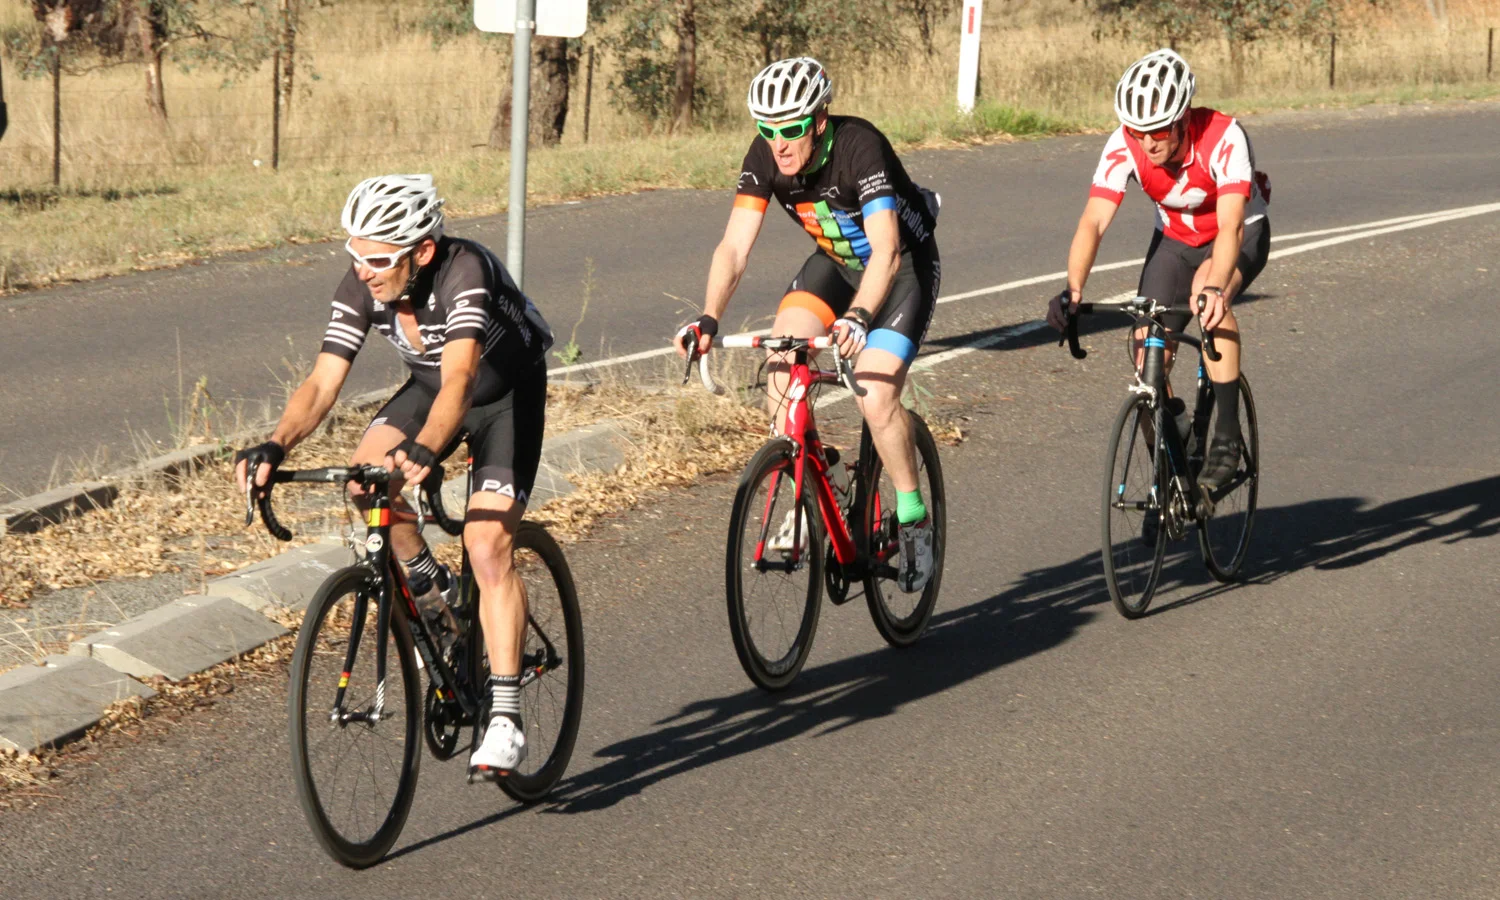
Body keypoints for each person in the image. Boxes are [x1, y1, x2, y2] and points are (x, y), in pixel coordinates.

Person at [234, 174, 552, 779]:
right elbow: (323, 382)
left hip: (504, 395)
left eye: (378, 259)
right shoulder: (364, 281)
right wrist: (276, 443)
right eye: (355, 255)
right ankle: (434, 587)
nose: (364, 271)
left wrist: (428, 447)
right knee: (365, 483)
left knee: (487, 546)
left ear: (422, 251)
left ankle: (506, 719)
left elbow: (462, 379)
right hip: (431, 389)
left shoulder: (465, 271)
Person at [674, 57, 942, 592]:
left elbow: (887, 251)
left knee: (874, 394)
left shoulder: (859, 146)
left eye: (791, 129)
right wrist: (708, 318)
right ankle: (816, 484)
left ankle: (914, 519)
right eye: (767, 129)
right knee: (781, 366)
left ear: (819, 120)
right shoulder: (765, 155)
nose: (779, 144)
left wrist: (859, 318)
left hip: (901, 269)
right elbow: (734, 247)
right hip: (837, 265)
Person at [1048, 48, 1270, 490]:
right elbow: (1094, 221)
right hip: (1175, 241)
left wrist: (1216, 287)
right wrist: (1073, 287)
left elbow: (1230, 225)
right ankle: (1170, 473)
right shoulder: (1124, 144)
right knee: (1145, 350)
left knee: (1207, 296)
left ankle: (1226, 436)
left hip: (1237, 234)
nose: (1147, 142)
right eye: (1137, 131)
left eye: (1159, 130)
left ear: (1184, 118)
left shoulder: (1224, 137)